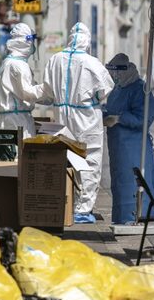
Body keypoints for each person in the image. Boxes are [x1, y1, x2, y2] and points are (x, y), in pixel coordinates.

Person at [41, 22, 114, 224]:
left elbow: (47, 91)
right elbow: (104, 90)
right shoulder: (93, 63)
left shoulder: (55, 60)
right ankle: (83, 209)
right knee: (89, 161)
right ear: (87, 41)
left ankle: (65, 203)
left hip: (62, 117)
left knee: (65, 160)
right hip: (87, 118)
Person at [104, 53, 154, 225]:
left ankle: (139, 215)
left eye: (117, 73)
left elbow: (143, 118)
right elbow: (111, 108)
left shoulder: (141, 90)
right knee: (120, 181)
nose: (114, 77)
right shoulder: (118, 89)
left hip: (135, 147)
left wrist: (120, 118)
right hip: (117, 146)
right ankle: (123, 217)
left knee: (134, 181)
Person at [0, 23, 44, 138]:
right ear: (25, 42)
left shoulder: (11, 62)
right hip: (17, 121)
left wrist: (48, 97)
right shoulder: (17, 65)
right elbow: (27, 93)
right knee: (19, 154)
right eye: (31, 41)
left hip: (13, 119)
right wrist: (47, 89)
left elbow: (30, 89)